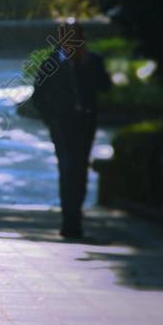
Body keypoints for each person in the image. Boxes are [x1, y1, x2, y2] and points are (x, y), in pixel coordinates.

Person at [31, 21, 112, 239]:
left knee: (80, 169)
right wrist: (51, 119)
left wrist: (88, 65)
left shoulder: (92, 60)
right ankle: (70, 220)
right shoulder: (52, 62)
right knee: (67, 168)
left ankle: (75, 216)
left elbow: (105, 86)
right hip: (62, 125)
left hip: (85, 123)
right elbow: (38, 94)